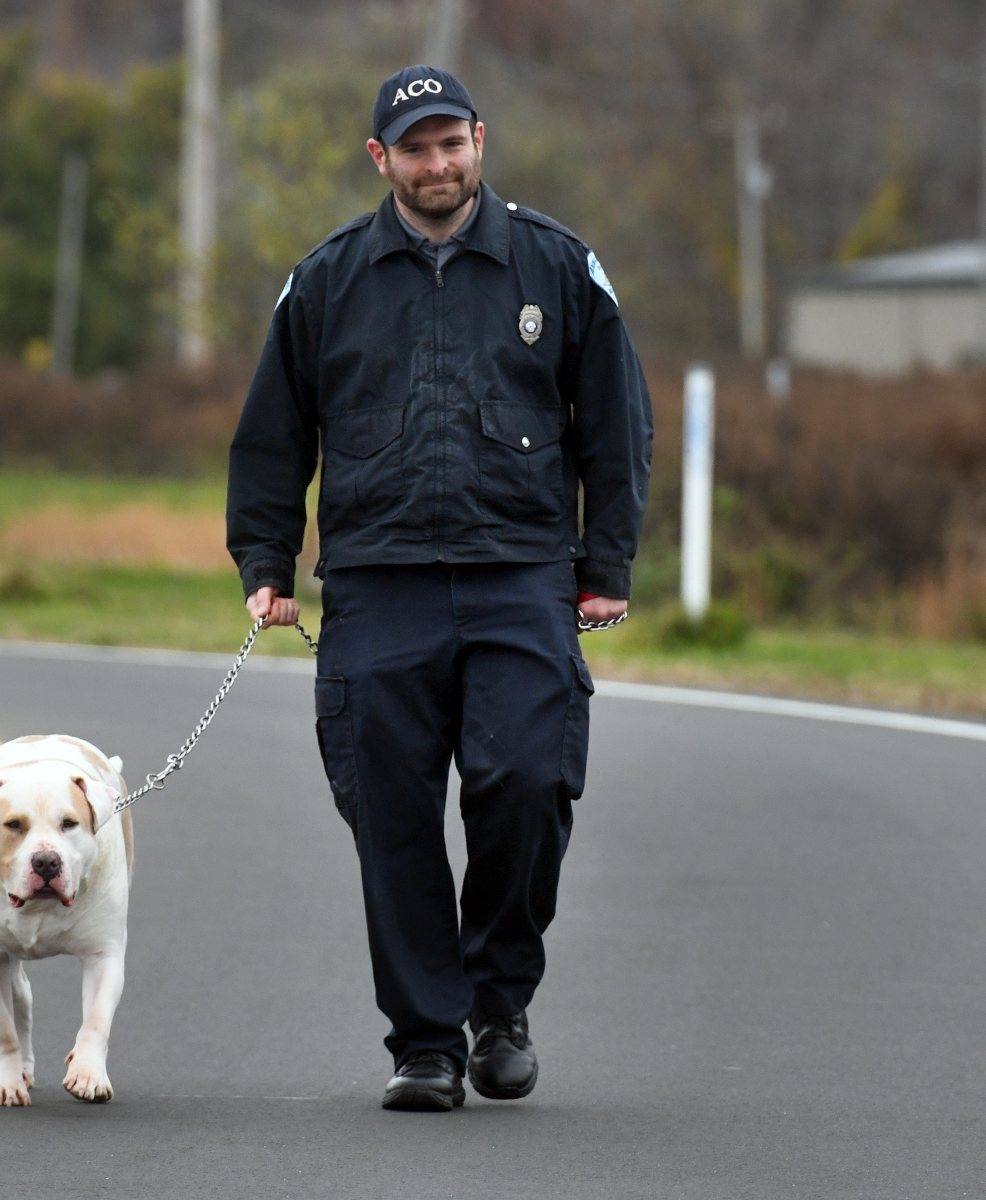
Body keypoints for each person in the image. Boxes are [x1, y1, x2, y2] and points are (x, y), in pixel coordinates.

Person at [226, 64, 653, 1112]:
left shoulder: (556, 267)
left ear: (479, 141)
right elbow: (273, 437)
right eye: (415, 148)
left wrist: (606, 566)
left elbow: (615, 422)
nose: (438, 163)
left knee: (525, 784)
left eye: (452, 141)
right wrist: (267, 565)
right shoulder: (327, 279)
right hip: (378, 584)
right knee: (392, 814)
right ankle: (425, 1043)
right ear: (383, 160)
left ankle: (499, 1004)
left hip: (520, 577)